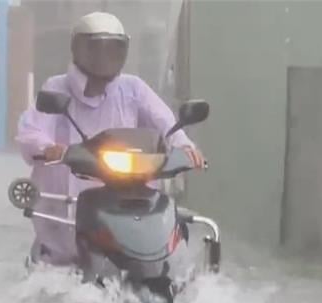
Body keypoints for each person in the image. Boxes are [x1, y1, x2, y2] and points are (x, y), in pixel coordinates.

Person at [15, 11, 205, 267]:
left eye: (111, 50)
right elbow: (30, 130)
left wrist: (184, 145)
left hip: (129, 191)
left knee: (174, 254)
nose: (103, 58)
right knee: (55, 275)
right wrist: (48, 147)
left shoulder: (133, 88)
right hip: (70, 205)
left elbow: (165, 122)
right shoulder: (57, 87)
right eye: (95, 49)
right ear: (77, 48)